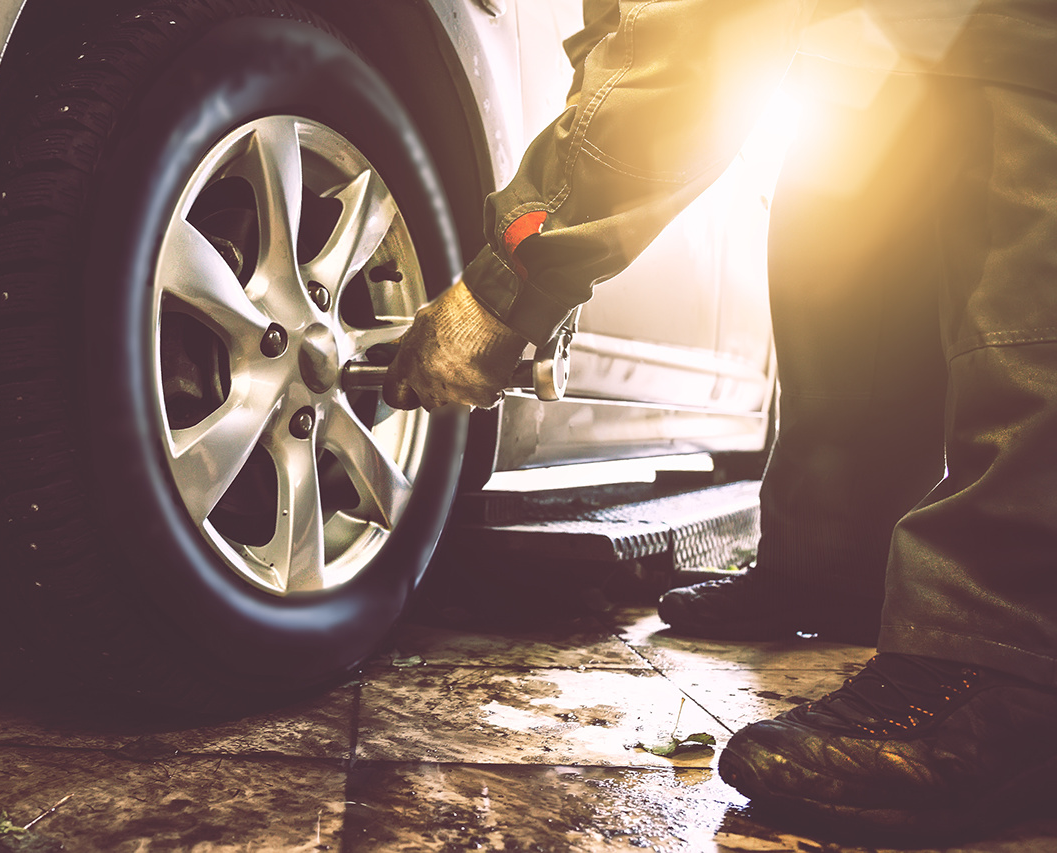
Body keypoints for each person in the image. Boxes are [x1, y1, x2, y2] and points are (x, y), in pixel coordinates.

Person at [383, 0, 1057, 838]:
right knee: (850, 204)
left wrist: (510, 285)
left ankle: (1004, 648)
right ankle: (833, 566)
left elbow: (691, 41)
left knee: (1018, 147)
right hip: (894, 41)